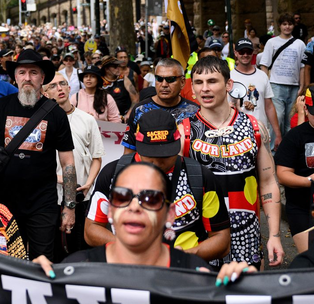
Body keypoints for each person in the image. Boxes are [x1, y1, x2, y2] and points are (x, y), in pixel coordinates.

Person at [45, 162, 252, 286]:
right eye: (122, 197)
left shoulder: (197, 274)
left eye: (150, 199)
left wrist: (240, 290)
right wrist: (35, 285)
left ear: (170, 214)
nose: (134, 207)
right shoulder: (77, 270)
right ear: (110, 210)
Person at [0, 49, 77, 261]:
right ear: (15, 77)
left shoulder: (56, 114)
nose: (27, 78)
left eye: (33, 72)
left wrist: (69, 207)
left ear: (42, 77)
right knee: (10, 261)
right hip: (7, 203)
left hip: (43, 203)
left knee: (43, 262)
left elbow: (68, 163)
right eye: (22, 72)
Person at [86, 110, 231, 262]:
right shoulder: (113, 174)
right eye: (151, 155)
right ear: (137, 142)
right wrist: (131, 250)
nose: (158, 162)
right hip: (126, 268)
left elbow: (221, 239)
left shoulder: (200, 176)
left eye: (166, 155)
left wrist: (183, 257)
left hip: (181, 269)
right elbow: (91, 229)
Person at [180, 56, 283, 268]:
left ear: (228, 85)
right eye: (199, 82)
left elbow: (267, 182)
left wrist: (274, 235)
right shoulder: (184, 132)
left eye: (212, 81)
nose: (205, 89)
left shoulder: (254, 127)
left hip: (246, 237)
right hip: (201, 240)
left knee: (249, 289)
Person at [44, 72, 105, 259]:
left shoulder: (87, 119)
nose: (59, 88)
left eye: (63, 83)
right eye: (53, 86)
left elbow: (97, 157)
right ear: (45, 93)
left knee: (80, 248)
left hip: (81, 195)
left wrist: (88, 183)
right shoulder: (41, 122)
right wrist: (59, 178)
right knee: (55, 250)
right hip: (52, 196)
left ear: (70, 87)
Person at [275, 85, 314, 254]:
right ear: (306, 109)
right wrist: (309, 181)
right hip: (303, 208)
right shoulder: (295, 136)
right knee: (312, 258)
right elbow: (283, 175)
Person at [121, 58, 198, 155]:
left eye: (170, 79)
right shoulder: (139, 110)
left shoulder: (194, 111)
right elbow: (128, 152)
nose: (164, 84)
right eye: (159, 79)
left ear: (182, 82)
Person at [259, 13, 306, 138]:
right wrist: (266, 84)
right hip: (276, 85)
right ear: (279, 25)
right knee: (278, 117)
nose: (287, 27)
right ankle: (274, 147)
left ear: (293, 25)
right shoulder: (271, 42)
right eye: (284, 24)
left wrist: (302, 86)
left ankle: (289, 147)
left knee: (290, 120)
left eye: (290, 24)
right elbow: (264, 65)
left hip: (294, 86)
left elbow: (302, 67)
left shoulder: (300, 44)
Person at [231, 38, 281, 150]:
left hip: (261, 132)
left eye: (248, 52)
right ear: (236, 53)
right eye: (241, 52)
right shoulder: (229, 77)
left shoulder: (262, 75)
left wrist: (277, 134)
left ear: (253, 52)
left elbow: (269, 106)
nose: (245, 55)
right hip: (237, 134)